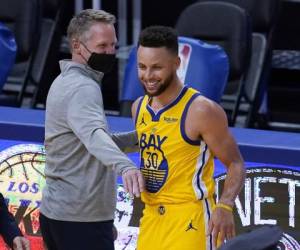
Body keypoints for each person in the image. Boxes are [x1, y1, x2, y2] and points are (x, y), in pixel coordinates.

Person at [131, 26, 246, 250]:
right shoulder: (138, 107)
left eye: (156, 68)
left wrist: (225, 205)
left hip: (190, 218)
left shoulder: (201, 110)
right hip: (151, 216)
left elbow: (236, 163)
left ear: (176, 64)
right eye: (142, 67)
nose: (148, 76)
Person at [39, 9, 145, 250]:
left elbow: (89, 144)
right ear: (77, 45)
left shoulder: (63, 81)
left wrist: (144, 138)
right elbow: (95, 137)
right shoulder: (83, 88)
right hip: (80, 220)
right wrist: (125, 166)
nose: (110, 52)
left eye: (113, 45)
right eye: (102, 45)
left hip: (59, 215)